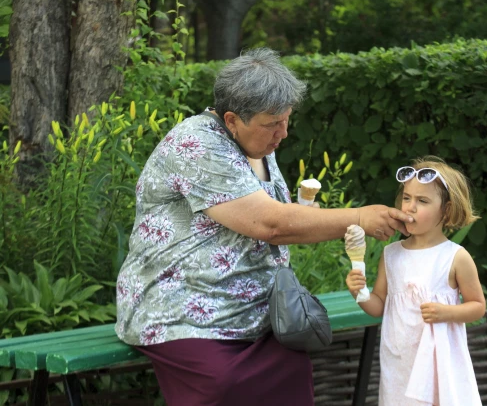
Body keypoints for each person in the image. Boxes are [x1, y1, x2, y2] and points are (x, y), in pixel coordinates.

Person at [114, 47, 412, 406]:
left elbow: (278, 216)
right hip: (183, 311)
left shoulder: (256, 142)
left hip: (254, 311)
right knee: (225, 384)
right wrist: (360, 217)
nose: (283, 133)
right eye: (273, 123)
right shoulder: (196, 144)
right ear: (232, 119)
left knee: (293, 367)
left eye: (286, 120)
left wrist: (303, 213)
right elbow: (268, 224)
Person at [346, 156, 485, 405]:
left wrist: (447, 312)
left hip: (438, 364)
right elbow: (379, 305)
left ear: (447, 210)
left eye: (422, 201)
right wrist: (360, 293)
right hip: (399, 363)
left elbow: (477, 306)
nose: (409, 207)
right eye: (407, 198)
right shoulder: (392, 254)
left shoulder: (455, 257)